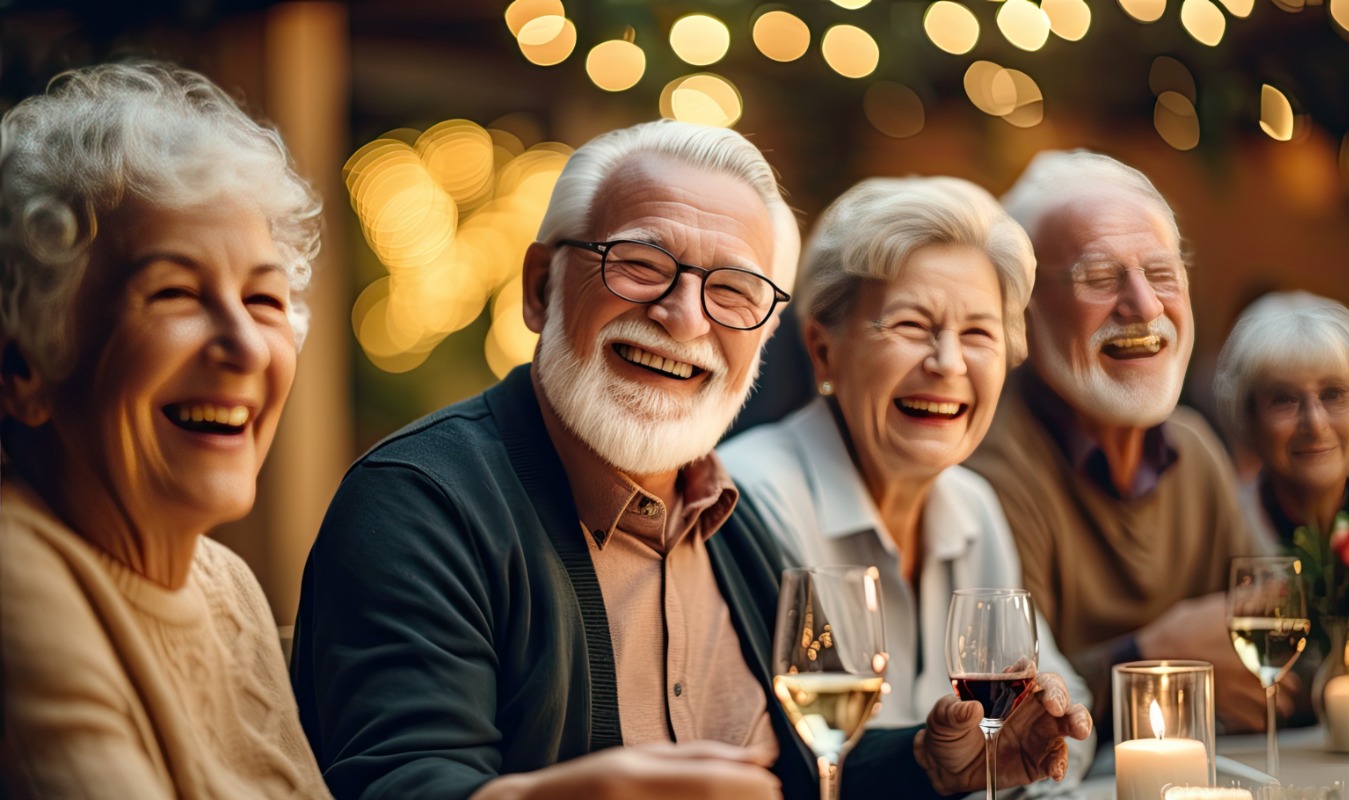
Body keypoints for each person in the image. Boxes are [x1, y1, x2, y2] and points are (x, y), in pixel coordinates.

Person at [290, 120, 1088, 800]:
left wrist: (928, 762)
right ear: (540, 287)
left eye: (734, 290)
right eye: (640, 263)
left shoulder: (731, 521)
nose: (682, 316)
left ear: (764, 338)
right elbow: (401, 783)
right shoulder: (418, 506)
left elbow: (796, 776)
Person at [0, 62, 329, 798]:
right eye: (174, 292)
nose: (244, 346)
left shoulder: (226, 585)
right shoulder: (16, 578)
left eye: (265, 299)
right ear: (23, 365)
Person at [720, 176, 1094, 785]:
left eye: (978, 333)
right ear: (823, 351)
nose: (947, 363)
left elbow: (1070, 728)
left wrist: (1046, 731)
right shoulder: (752, 498)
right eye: (912, 326)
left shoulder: (974, 507)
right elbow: (781, 768)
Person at [965, 150, 1270, 732]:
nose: (1145, 307)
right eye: (1101, 279)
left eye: (1161, 274)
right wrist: (1152, 656)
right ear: (1022, 312)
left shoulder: (1198, 448)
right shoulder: (991, 465)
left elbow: (1262, 658)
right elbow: (1001, 708)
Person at [1213, 291, 1349, 548]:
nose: (1315, 424)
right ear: (1250, 417)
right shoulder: (1220, 532)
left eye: (1333, 394)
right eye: (1284, 399)